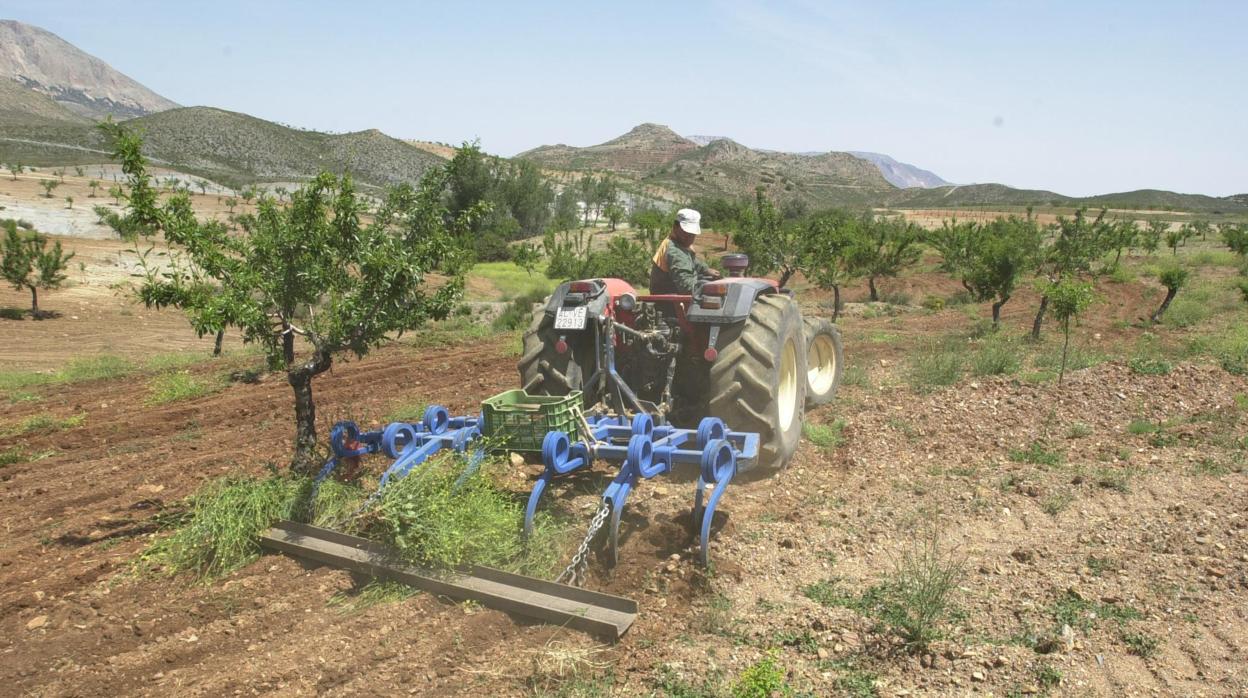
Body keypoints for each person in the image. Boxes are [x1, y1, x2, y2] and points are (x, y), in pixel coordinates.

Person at [648, 208, 721, 295]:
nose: (689, 237)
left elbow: (691, 261)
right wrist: (711, 287)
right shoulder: (674, 250)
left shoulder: (680, 244)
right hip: (669, 302)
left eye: (692, 234)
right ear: (675, 227)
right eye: (686, 233)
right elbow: (686, 286)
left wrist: (705, 269)